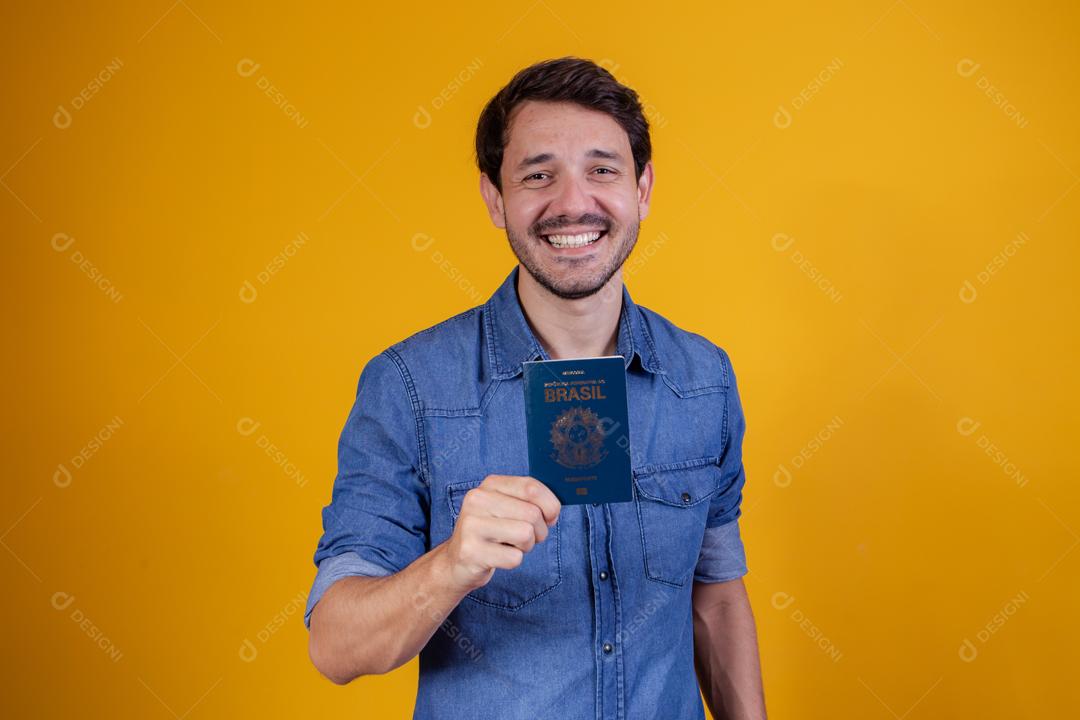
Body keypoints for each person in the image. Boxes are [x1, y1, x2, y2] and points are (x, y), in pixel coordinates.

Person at [305, 56, 767, 720]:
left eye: (602, 170)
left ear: (643, 188)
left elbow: (716, 597)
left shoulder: (704, 379)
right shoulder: (407, 386)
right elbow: (335, 646)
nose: (573, 203)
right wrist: (450, 566)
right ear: (495, 198)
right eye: (538, 175)